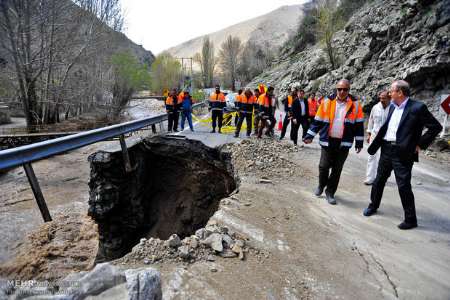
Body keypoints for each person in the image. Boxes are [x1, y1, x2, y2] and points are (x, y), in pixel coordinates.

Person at [363, 80, 442, 230]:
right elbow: (387, 128)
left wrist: (419, 144)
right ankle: (373, 206)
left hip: (403, 153)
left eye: (391, 90)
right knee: (379, 180)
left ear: (400, 92)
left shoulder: (417, 107)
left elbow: (435, 127)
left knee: (403, 185)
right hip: (386, 149)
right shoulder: (392, 106)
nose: (388, 93)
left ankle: (411, 220)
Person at [303, 79, 364, 205]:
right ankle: (321, 185)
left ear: (349, 90)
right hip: (327, 140)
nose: (342, 91)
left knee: (337, 169)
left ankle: (330, 192)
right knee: (323, 166)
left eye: (345, 89)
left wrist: (359, 142)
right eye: (339, 89)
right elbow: (318, 120)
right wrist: (310, 135)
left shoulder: (355, 105)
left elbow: (359, 125)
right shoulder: (327, 102)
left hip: (344, 143)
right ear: (336, 89)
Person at [364, 91, 391, 185]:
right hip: (375, 135)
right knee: (372, 156)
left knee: (383, 158)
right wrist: (369, 134)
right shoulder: (375, 107)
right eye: (380, 98)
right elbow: (371, 120)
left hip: (387, 137)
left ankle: (379, 178)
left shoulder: (393, 108)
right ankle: (369, 178)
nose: (382, 100)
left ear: (389, 98)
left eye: (384, 98)